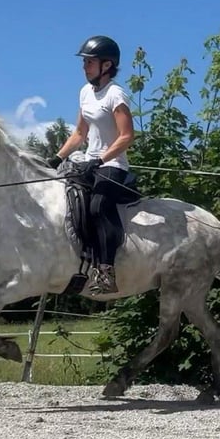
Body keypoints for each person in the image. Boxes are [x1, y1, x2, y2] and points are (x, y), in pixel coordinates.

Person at [47, 35, 135, 295]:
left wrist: (100, 159)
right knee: (65, 200)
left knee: (97, 206)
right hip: (87, 161)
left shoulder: (115, 94)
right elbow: (79, 134)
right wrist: (57, 157)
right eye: (84, 62)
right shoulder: (85, 92)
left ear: (106, 66)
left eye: (89, 62)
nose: (84, 67)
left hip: (113, 164)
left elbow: (127, 136)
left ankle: (106, 271)